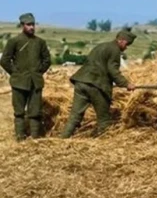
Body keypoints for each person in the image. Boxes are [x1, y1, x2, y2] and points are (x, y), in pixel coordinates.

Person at [60, 29, 137, 138]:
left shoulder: (101, 46)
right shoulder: (114, 50)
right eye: (127, 44)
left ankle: (63, 139)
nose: (127, 47)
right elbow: (113, 71)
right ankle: (104, 144)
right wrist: (126, 84)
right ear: (121, 41)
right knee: (104, 119)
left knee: (75, 115)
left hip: (81, 82)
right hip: (96, 85)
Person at [1, 13, 51, 141]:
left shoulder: (40, 42)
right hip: (19, 82)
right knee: (19, 112)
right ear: (22, 25)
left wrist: (39, 72)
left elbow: (47, 60)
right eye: (29, 25)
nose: (32, 27)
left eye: (33, 24)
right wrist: (15, 73)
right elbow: (5, 60)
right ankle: (20, 137)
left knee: (35, 113)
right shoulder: (14, 41)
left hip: (36, 82)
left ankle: (35, 138)